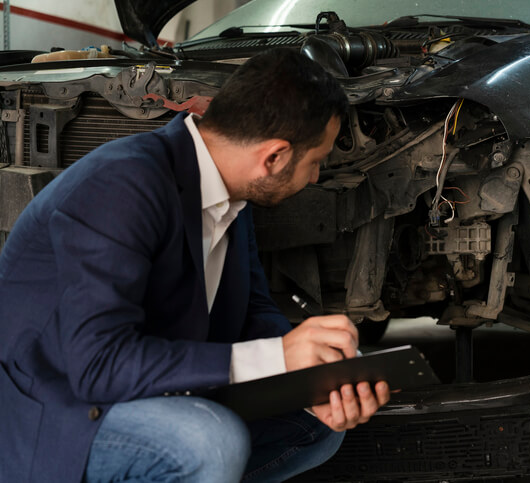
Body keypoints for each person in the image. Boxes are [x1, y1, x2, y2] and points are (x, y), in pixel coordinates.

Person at [0, 49, 390, 482]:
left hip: (139, 386)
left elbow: (253, 315)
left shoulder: (230, 194)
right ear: (274, 157)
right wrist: (276, 356)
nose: (316, 177)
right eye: (315, 161)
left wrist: (315, 371)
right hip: (55, 407)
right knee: (208, 439)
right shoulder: (123, 185)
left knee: (314, 423)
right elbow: (98, 366)